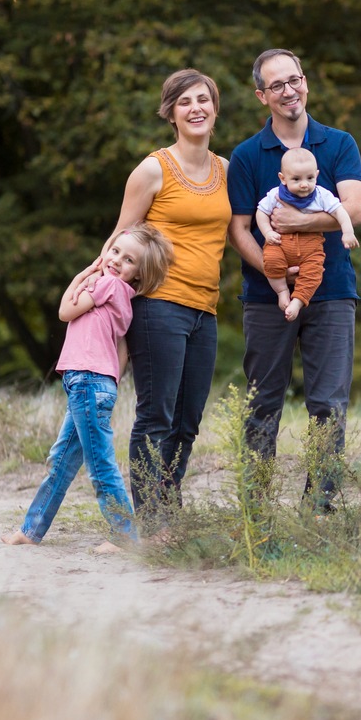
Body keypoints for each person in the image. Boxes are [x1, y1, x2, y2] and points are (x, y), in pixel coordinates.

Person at [228, 49, 361, 512]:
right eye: (277, 85)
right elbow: (239, 228)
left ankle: (320, 510)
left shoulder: (339, 143)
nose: (289, 91)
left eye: (296, 80)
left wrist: (294, 223)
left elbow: (357, 210)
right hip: (266, 298)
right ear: (261, 95)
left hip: (330, 293)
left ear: (305, 82)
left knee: (328, 404)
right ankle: (256, 509)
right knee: (262, 402)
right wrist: (274, 272)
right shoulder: (248, 155)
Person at [101, 68, 231, 520]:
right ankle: (153, 522)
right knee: (156, 417)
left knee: (188, 421)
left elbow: (245, 232)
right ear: (171, 114)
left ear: (214, 109)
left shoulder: (227, 171)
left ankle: (167, 512)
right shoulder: (153, 168)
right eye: (185, 102)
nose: (196, 108)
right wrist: (97, 292)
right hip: (158, 306)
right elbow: (119, 238)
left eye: (203, 100)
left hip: (205, 310)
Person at [1, 224, 174, 551]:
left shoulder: (107, 284)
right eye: (115, 251)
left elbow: (65, 310)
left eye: (129, 260)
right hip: (97, 384)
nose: (117, 260)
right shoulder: (125, 297)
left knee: (100, 465)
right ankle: (31, 529)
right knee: (62, 461)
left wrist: (86, 273)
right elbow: (121, 348)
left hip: (87, 382)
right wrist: (111, 382)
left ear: (138, 274)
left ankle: (127, 536)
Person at [256, 147, 359, 322]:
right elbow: (261, 212)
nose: (304, 184)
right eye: (296, 179)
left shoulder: (321, 195)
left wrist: (347, 231)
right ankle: (282, 292)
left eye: (310, 178)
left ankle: (297, 301)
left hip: (311, 247)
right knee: (272, 260)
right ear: (283, 178)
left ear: (316, 175)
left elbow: (340, 212)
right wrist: (267, 232)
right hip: (280, 242)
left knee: (314, 272)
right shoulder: (276, 194)